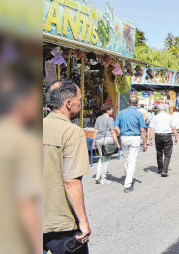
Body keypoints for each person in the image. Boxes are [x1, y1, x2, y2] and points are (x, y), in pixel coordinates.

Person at [43, 79, 91, 253]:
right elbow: (71, 181)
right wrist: (83, 222)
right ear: (69, 103)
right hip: (61, 225)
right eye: (80, 99)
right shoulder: (71, 132)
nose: (81, 103)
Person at [114, 96, 149, 193]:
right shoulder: (139, 114)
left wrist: (122, 134)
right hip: (135, 138)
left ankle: (128, 177)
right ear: (137, 104)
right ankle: (128, 183)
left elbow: (115, 127)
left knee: (126, 159)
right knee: (132, 160)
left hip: (124, 137)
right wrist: (145, 143)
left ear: (128, 103)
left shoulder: (121, 113)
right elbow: (142, 129)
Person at [92, 102, 120, 184]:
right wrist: (117, 143)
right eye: (111, 109)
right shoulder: (110, 119)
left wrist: (94, 142)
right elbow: (112, 132)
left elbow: (95, 131)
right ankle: (103, 179)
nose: (113, 111)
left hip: (98, 140)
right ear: (107, 110)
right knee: (106, 160)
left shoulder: (98, 118)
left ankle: (98, 176)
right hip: (107, 139)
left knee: (101, 158)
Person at [148, 104, 178, 177]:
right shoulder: (169, 116)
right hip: (167, 135)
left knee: (159, 153)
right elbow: (174, 128)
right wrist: (176, 137)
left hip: (158, 136)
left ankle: (160, 169)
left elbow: (151, 129)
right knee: (167, 154)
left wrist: (150, 138)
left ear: (158, 109)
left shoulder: (155, 117)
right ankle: (164, 171)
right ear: (165, 109)